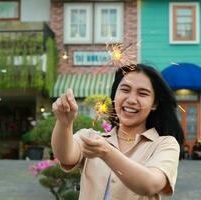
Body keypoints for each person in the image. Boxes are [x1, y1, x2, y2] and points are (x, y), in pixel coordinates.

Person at [51, 64, 184, 200]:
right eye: (125, 90)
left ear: (154, 103)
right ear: (115, 95)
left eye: (142, 93)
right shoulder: (91, 138)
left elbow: (150, 185)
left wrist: (107, 153)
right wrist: (64, 123)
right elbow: (65, 156)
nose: (131, 100)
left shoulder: (165, 144)